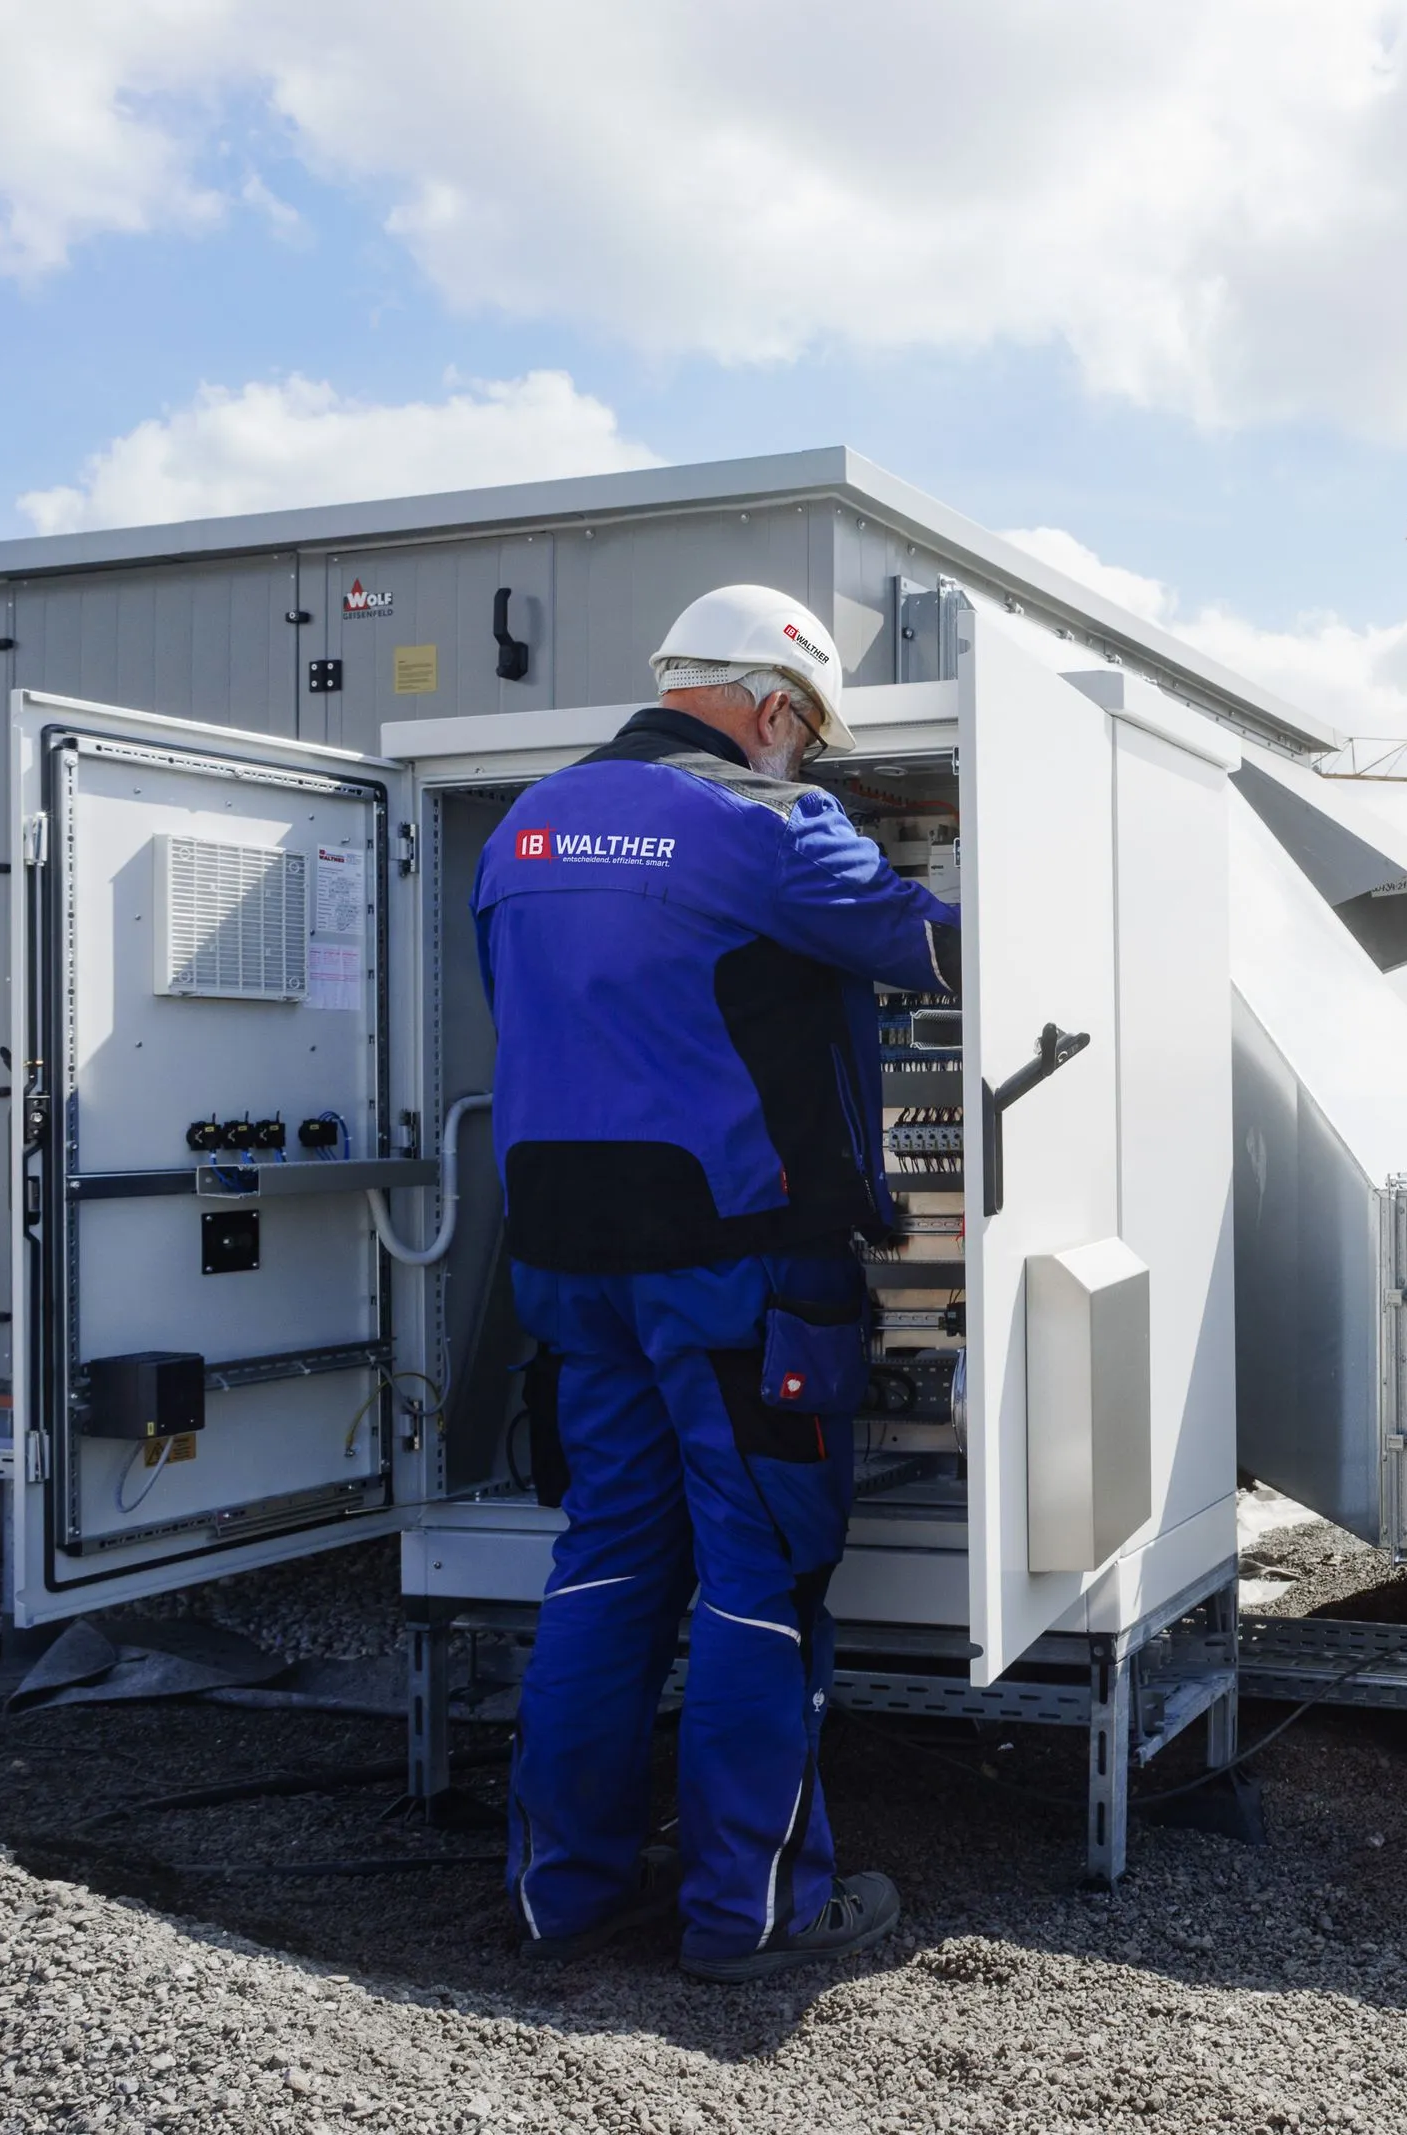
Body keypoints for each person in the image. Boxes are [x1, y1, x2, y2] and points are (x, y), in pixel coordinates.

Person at [474, 585, 957, 1981]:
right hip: (740, 1275)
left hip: (568, 1271)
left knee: (610, 1560)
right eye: (804, 734)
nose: (802, 757)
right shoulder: (765, 823)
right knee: (759, 1576)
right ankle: (753, 1914)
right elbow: (926, 945)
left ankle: (560, 1900)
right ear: (770, 707)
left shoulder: (521, 827)